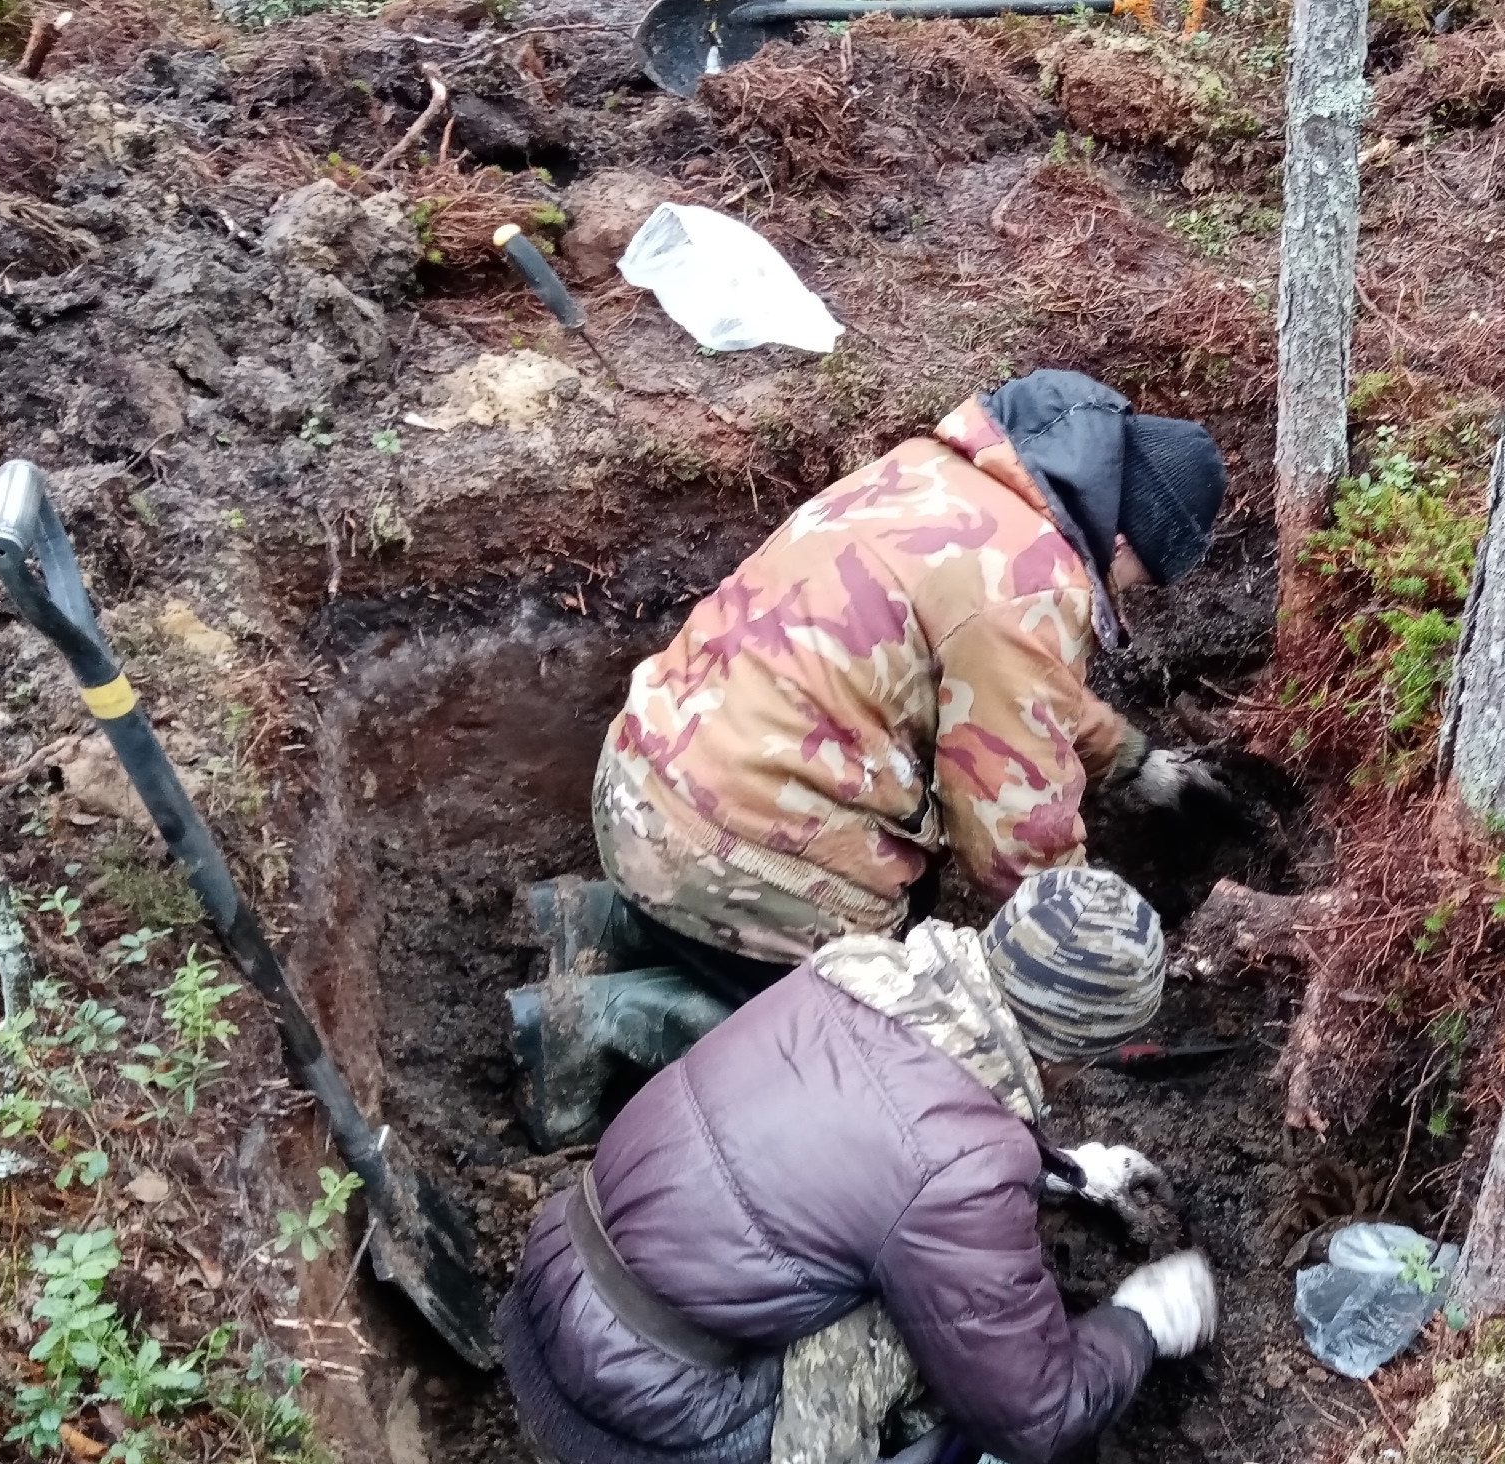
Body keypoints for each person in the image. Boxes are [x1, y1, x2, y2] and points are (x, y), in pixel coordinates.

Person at [510, 368, 1232, 1146]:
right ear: (1122, 541)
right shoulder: (1034, 587)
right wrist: (1091, 976)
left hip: (652, 778)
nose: (1127, 595)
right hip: (736, 855)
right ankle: (600, 1026)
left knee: (859, 914)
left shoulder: (944, 474)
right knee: (871, 1049)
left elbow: (1008, 679)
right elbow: (1015, 840)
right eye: (1137, 579)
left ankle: (591, 922)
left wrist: (1131, 760)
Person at [498, 867, 1218, 1464]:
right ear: (1076, 1052)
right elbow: (1037, 1414)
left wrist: (1059, 1169)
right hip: (639, 1461)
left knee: (916, 1273)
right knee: (931, 1332)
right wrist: (1139, 1322)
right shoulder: (962, 1171)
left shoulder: (853, 973)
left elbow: (869, 1146)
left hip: (548, 1321)